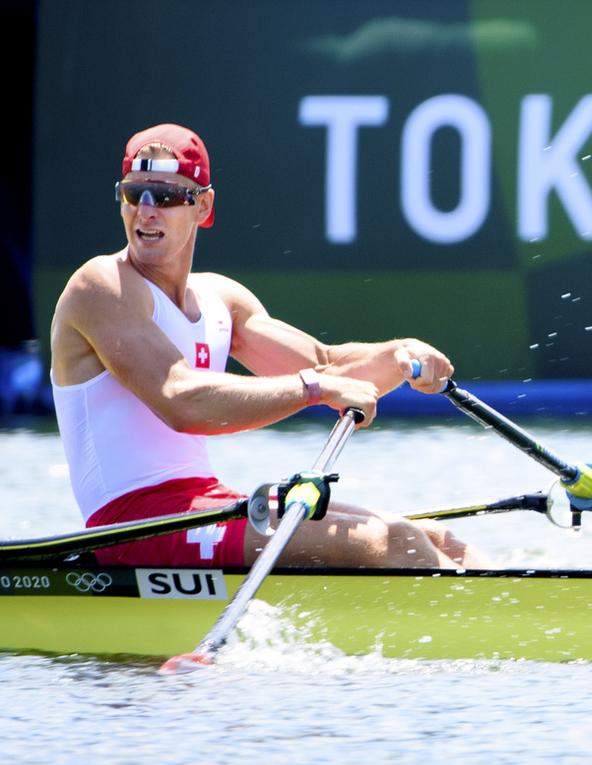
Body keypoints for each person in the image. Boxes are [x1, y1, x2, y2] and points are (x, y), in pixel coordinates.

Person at [50, 123, 478, 569]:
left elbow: (326, 364)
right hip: (133, 527)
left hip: (205, 504)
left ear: (204, 207)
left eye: (168, 196)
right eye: (134, 194)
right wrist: (315, 388)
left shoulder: (221, 300)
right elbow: (180, 400)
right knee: (389, 544)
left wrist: (399, 354)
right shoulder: (101, 285)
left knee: (431, 537)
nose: (147, 211)